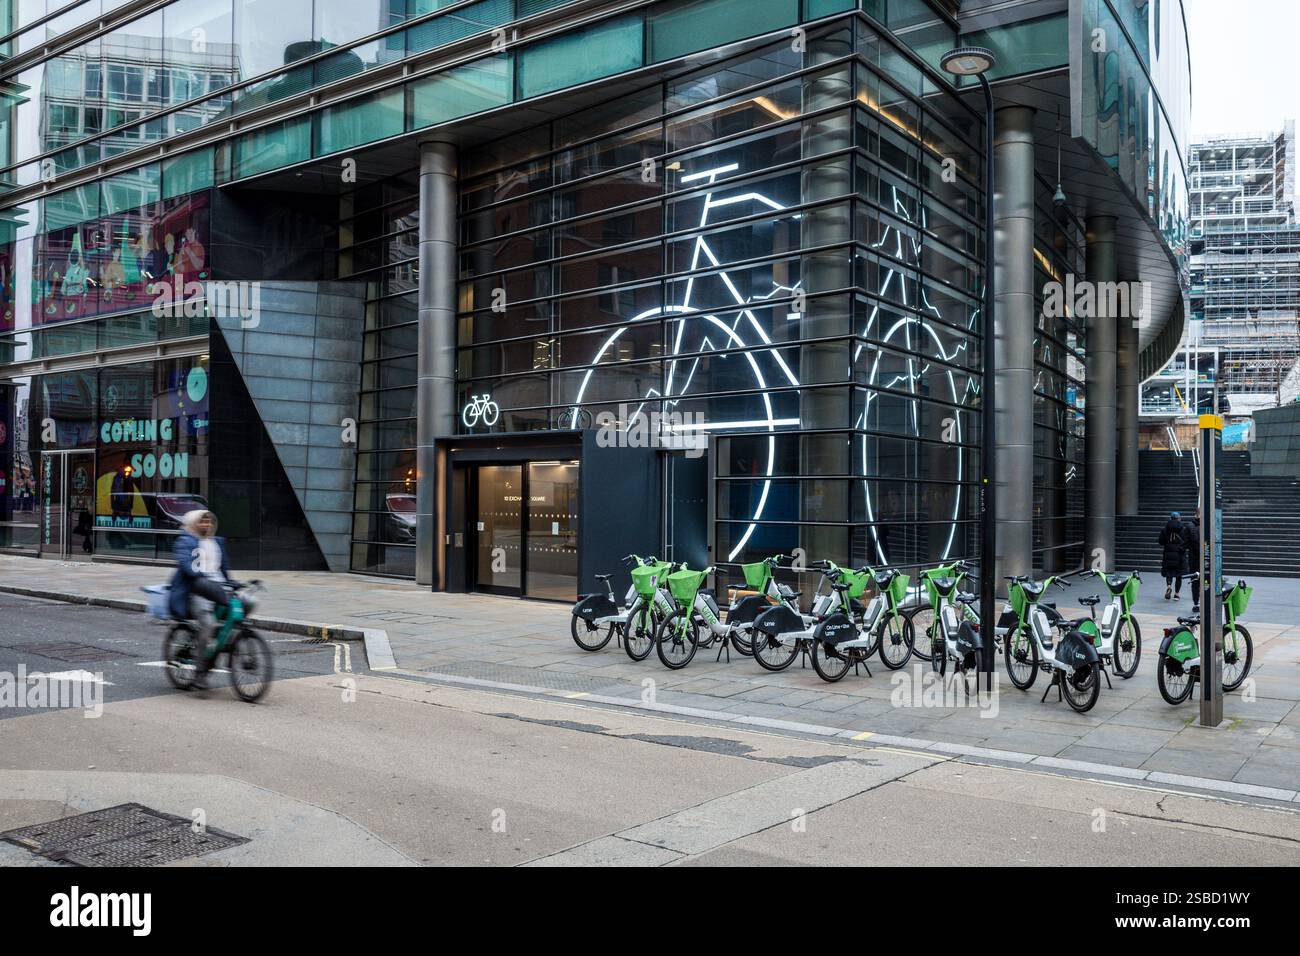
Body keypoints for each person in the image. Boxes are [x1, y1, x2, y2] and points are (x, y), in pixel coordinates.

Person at [167, 509, 233, 682]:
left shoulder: (217, 542)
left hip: (218, 588)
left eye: (209, 521)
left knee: (241, 609)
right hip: (196, 590)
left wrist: (234, 583)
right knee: (208, 624)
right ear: (194, 523)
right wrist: (203, 579)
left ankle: (229, 647)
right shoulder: (186, 541)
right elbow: (187, 567)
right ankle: (200, 670)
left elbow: (223, 569)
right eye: (203, 521)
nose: (207, 525)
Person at [1158, 510, 1188, 601]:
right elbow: (1186, 541)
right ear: (1179, 518)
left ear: (1170, 518)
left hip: (1168, 555)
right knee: (1179, 575)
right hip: (1179, 555)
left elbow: (1161, 542)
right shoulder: (1183, 529)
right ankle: (1176, 594)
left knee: (1169, 573)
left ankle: (1169, 586)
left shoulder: (1165, 529)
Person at [1183, 509, 1202, 611]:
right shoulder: (1191, 526)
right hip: (1198, 559)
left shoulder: (1189, 526)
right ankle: (1197, 602)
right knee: (1197, 581)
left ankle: (1197, 603)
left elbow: (1184, 544)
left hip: (1195, 559)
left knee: (1196, 582)